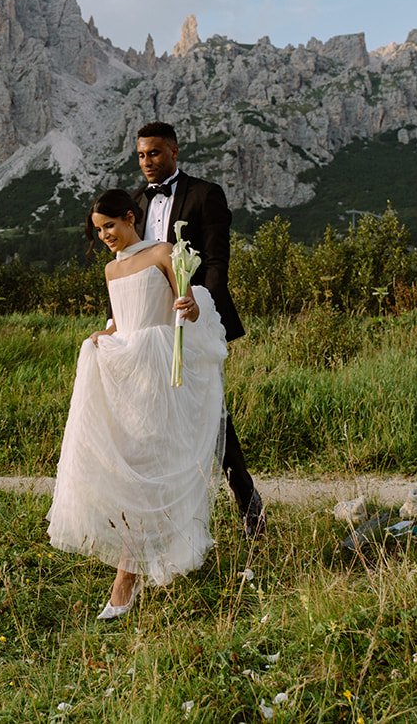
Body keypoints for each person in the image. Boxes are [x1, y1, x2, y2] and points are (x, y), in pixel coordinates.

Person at [46, 188, 228, 619]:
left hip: (162, 369)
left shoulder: (165, 252)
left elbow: (191, 306)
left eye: (110, 225)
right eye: (99, 230)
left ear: (130, 217)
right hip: (126, 372)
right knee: (127, 468)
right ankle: (142, 560)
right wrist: (100, 338)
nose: (106, 235)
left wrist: (191, 307)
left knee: (152, 465)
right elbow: (119, 323)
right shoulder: (111, 270)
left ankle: (126, 577)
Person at [132, 120, 266, 538]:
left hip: (195, 316)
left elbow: (215, 261)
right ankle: (165, 516)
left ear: (174, 151)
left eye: (154, 153)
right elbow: (128, 265)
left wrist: (200, 308)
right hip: (149, 325)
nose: (147, 162)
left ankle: (248, 504)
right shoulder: (136, 201)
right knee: (154, 417)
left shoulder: (205, 194)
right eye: (140, 155)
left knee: (210, 411)